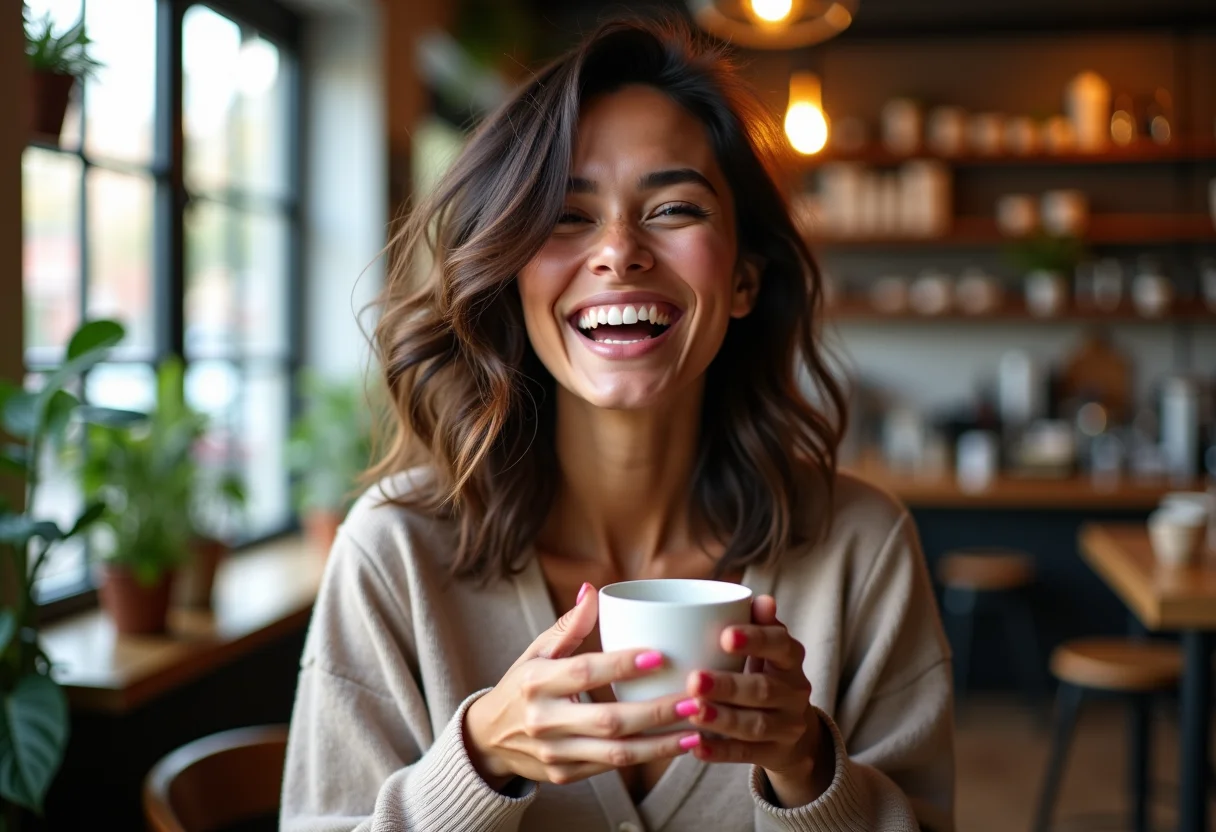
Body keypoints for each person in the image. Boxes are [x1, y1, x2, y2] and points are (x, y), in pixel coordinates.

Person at [281, 16, 953, 832]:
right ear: (511, 274)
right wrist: (479, 759)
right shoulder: (394, 554)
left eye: (673, 208)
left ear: (744, 278)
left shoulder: (862, 549)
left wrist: (809, 769)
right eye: (568, 216)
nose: (619, 252)